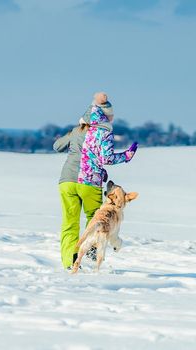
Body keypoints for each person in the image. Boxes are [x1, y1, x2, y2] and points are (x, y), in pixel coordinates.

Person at [54, 92, 138, 270]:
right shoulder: (104, 131)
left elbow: (57, 146)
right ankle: (91, 254)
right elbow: (106, 158)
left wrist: (73, 138)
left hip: (67, 181)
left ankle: (70, 262)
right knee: (95, 219)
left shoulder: (78, 130)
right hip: (89, 182)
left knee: (69, 222)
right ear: (106, 115)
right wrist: (127, 156)